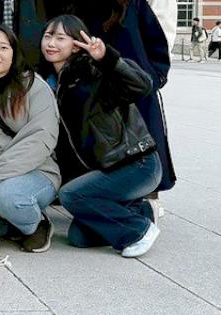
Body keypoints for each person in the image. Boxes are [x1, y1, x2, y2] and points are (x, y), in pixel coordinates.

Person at [41, 15, 161, 257]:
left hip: (136, 163)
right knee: (79, 237)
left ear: (76, 45)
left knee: (71, 195)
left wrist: (108, 59)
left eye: (60, 38)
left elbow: (143, 86)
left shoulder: (93, 71)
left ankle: (138, 230)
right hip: (107, 170)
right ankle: (141, 210)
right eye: (47, 36)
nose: (51, 43)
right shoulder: (53, 82)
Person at [63, 0, 175, 201]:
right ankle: (117, 202)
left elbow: (155, 40)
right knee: (112, 154)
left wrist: (156, 76)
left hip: (138, 88)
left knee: (148, 149)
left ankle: (148, 204)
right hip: (104, 98)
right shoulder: (76, 10)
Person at [0, 24, 59, 253]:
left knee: (7, 198)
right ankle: (9, 225)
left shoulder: (33, 87)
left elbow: (40, 140)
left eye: (3, 47)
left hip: (35, 171)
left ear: (14, 53)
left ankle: (37, 224)